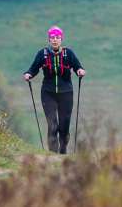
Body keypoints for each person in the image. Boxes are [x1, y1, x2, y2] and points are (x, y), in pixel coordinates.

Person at [23, 26, 85, 154]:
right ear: (49, 39)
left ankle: (63, 150)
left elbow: (78, 66)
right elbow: (33, 68)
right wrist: (28, 74)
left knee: (64, 125)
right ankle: (52, 154)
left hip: (66, 94)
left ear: (61, 39)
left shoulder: (69, 53)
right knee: (52, 124)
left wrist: (80, 71)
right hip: (48, 93)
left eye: (57, 37)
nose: (55, 40)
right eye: (52, 38)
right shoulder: (43, 54)